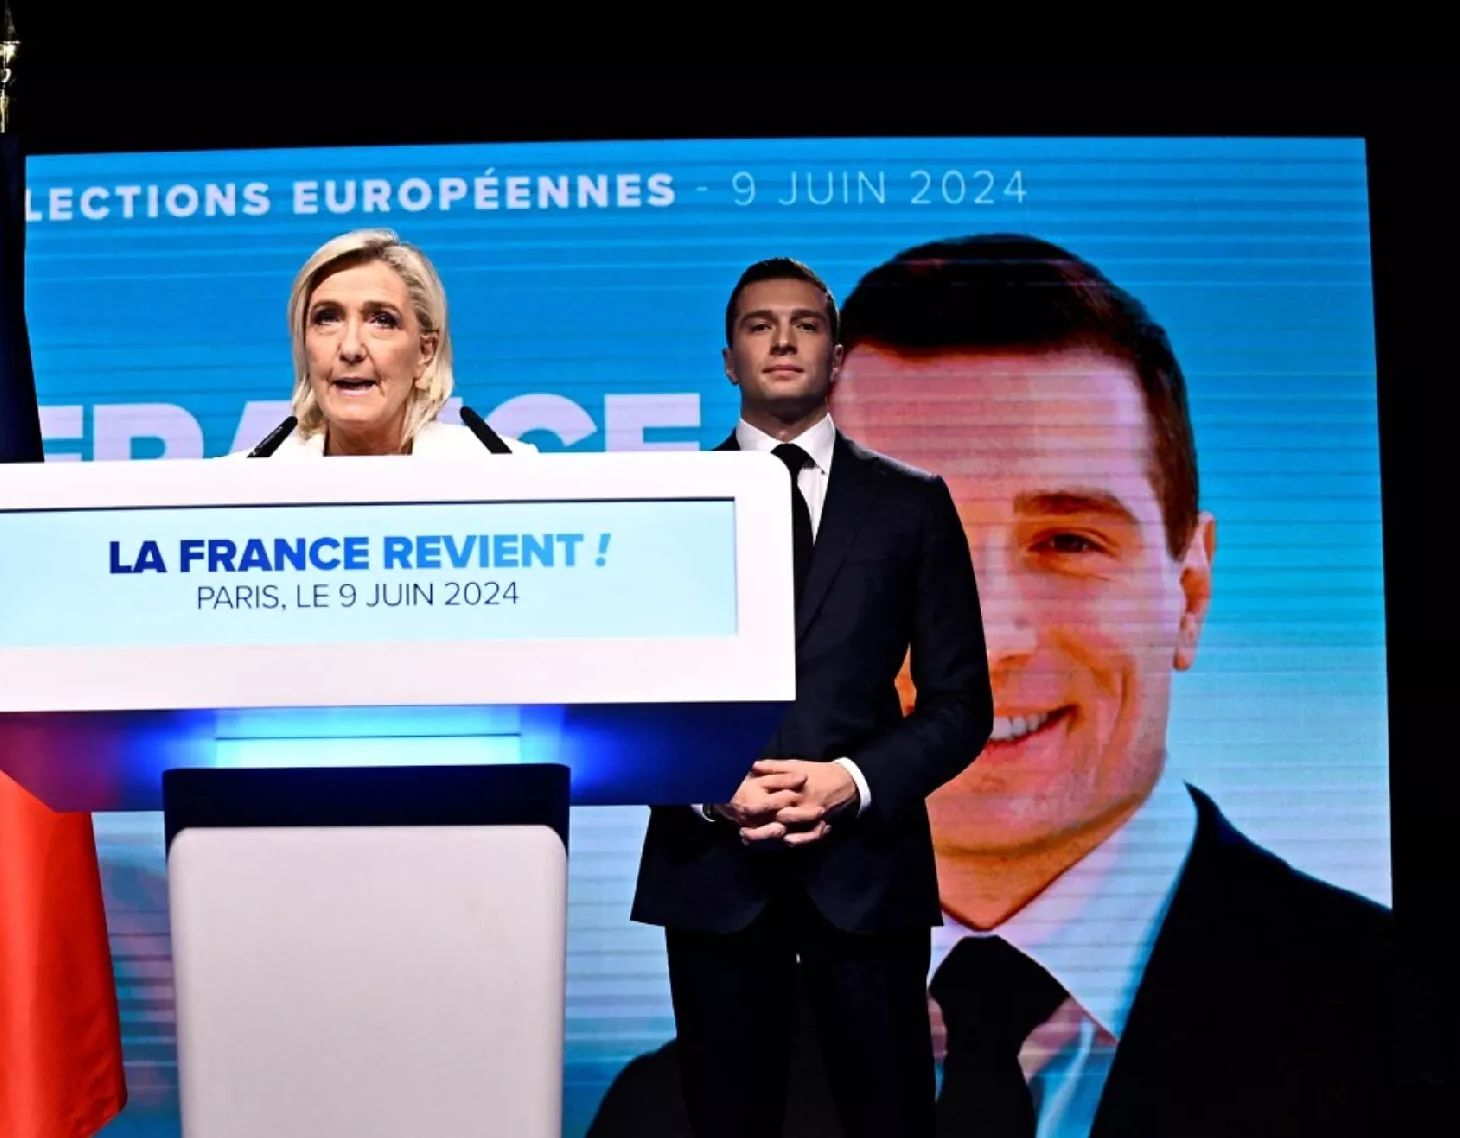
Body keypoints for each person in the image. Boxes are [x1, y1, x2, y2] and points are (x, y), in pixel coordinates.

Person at [590, 235, 1391, 1137]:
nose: (996, 638)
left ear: (1191, 590)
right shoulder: (655, 1108)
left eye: (1068, 542)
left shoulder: (1393, 1011)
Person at [626, 257, 993, 1138]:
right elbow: (633, 701)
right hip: (714, 872)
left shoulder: (911, 504)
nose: (783, 340)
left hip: (866, 875)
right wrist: (712, 787)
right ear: (728, 360)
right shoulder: (665, 504)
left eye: (806, 324)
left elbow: (960, 704)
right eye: (759, 325)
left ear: (837, 356)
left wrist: (849, 783)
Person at [240, 228, 535, 458]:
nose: (351, 348)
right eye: (327, 318)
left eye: (382, 320)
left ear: (425, 352)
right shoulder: (238, 486)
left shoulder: (510, 475)